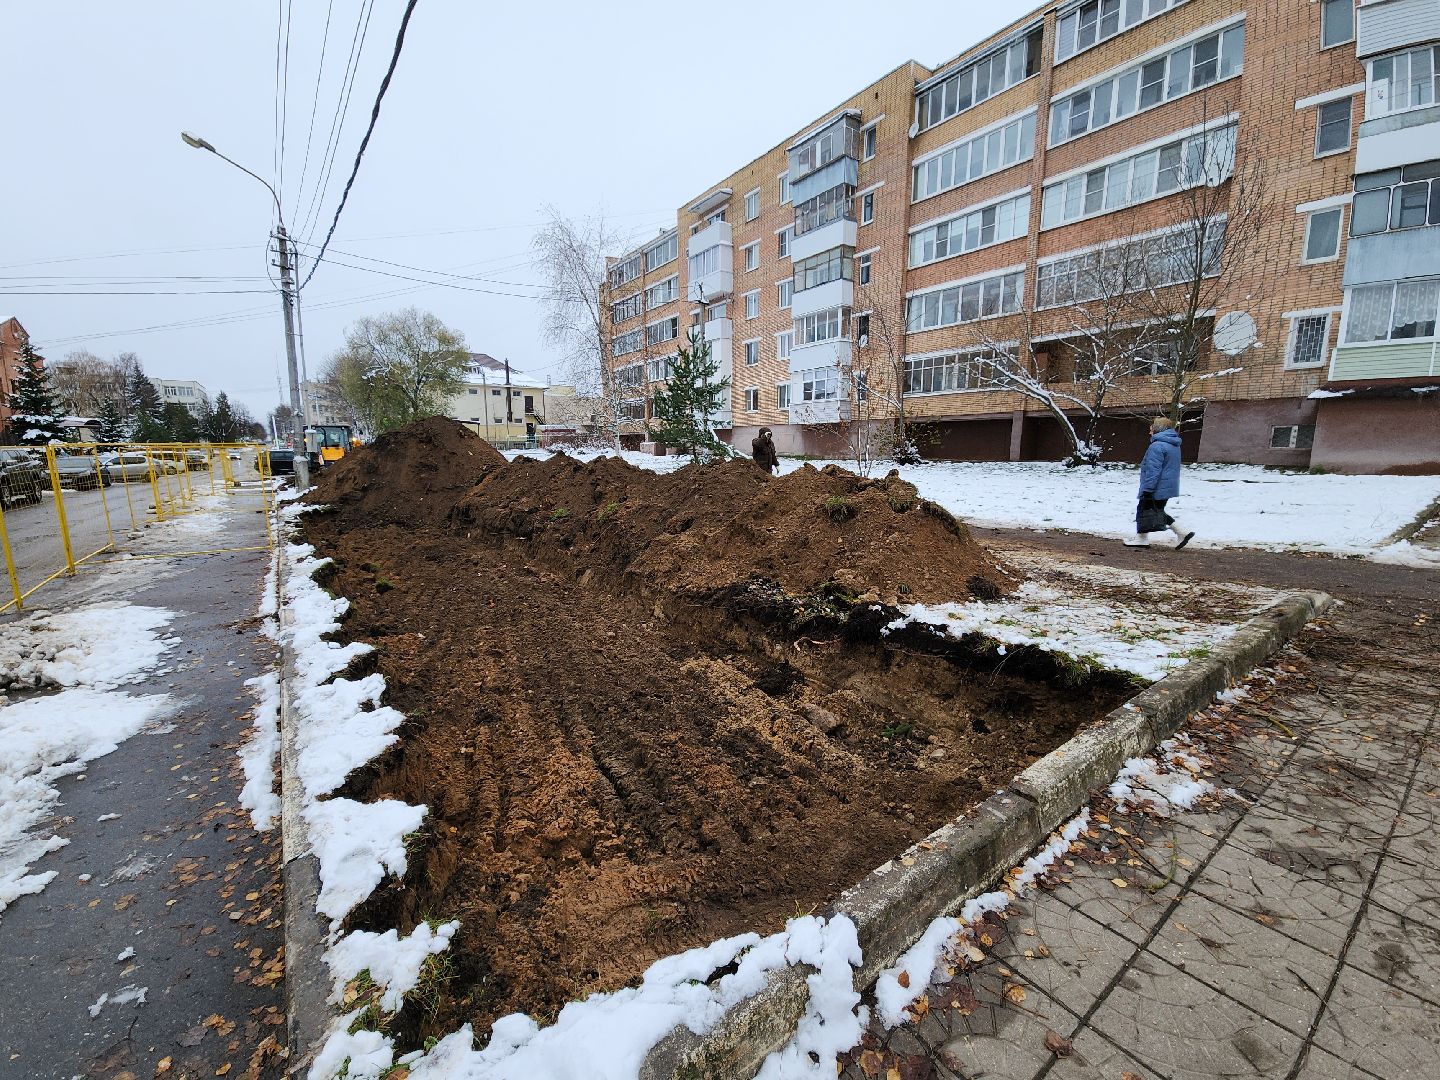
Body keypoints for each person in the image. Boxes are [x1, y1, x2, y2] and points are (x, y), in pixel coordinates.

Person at [1124, 416, 1195, 549]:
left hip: (1156, 486)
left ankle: (1142, 539)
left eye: (1151, 430)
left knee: (1144, 510)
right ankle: (1182, 532)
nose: (1149, 432)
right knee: (1156, 511)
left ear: (1158, 430)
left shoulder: (1157, 446)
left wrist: (1148, 489)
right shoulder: (1173, 445)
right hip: (1167, 486)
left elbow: (1153, 470)